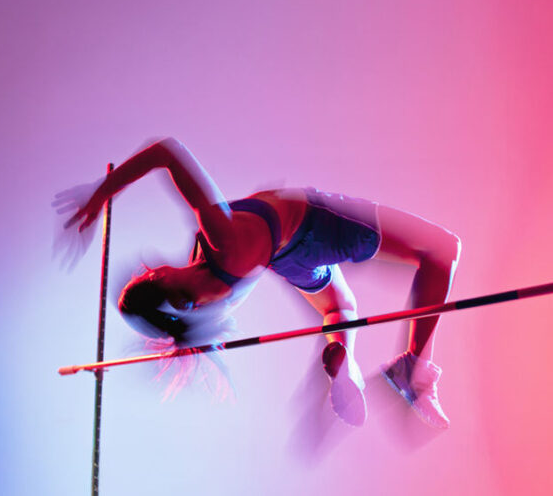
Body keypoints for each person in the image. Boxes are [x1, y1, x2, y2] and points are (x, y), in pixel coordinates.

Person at [53, 137, 460, 428]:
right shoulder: (218, 240)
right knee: (442, 251)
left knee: (340, 308)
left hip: (288, 258)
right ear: (155, 275)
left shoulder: (206, 306)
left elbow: (191, 322)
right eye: (145, 272)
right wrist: (101, 193)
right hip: (318, 225)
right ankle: (412, 367)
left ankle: (345, 364)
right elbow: (167, 151)